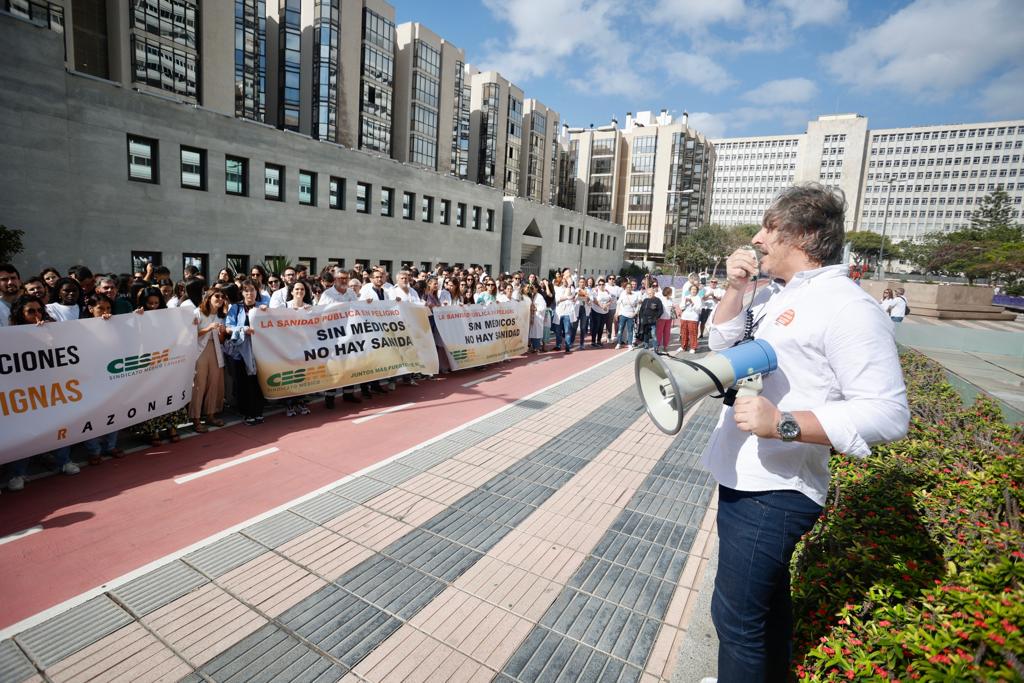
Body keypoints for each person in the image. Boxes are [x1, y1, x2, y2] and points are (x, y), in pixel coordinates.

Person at [704, 183, 909, 681]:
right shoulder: (782, 296)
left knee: (735, 620)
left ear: (805, 234)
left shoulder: (847, 307)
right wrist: (735, 290)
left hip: (774, 491)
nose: (757, 238)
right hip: (748, 477)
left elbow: (888, 413)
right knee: (766, 608)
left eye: (769, 228)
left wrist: (784, 424)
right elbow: (721, 341)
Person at [131, 287, 187, 445]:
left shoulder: (168, 315)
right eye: (150, 303)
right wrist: (137, 319)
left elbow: (181, 329)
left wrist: (192, 322)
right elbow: (131, 336)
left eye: (156, 303)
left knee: (169, 393)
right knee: (152, 396)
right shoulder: (137, 315)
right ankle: (153, 431)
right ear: (144, 303)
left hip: (167, 360)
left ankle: (172, 428)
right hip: (148, 361)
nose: (154, 306)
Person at [225, 279, 270, 424]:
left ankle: (258, 411)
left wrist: (267, 313)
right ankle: (247, 412)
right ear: (242, 292)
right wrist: (243, 329)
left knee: (257, 382)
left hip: (260, 352)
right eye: (246, 290)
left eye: (252, 289)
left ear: (257, 291)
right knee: (243, 383)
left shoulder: (262, 307)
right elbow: (228, 327)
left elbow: (275, 325)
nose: (249, 293)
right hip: (240, 353)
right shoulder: (235, 308)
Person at [191, 287, 228, 431]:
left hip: (216, 350)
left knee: (215, 382)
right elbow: (190, 335)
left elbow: (221, 339)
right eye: (216, 296)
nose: (220, 299)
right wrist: (208, 328)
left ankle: (211, 415)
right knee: (199, 384)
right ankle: (196, 418)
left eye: (222, 297)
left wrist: (222, 333)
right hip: (200, 352)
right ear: (209, 297)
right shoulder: (197, 313)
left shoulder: (220, 315)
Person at [553, 274, 576, 353]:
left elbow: (570, 296)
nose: (565, 280)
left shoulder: (572, 288)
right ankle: (558, 345)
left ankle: (567, 346)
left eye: (568, 279)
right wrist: (567, 298)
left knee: (567, 331)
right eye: (564, 279)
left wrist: (569, 286)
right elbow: (558, 299)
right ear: (561, 280)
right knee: (558, 331)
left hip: (568, 312)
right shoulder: (557, 288)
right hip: (559, 313)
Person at [614, 281, 641, 349]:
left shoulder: (635, 295)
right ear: (625, 288)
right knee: (620, 329)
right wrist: (616, 313)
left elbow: (638, 304)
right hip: (623, 315)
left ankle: (630, 344)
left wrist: (635, 313)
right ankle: (619, 343)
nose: (628, 289)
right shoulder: (623, 294)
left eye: (630, 287)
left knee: (630, 330)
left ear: (631, 288)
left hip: (631, 316)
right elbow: (618, 304)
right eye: (627, 287)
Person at [636, 284, 663, 350]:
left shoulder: (658, 300)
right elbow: (641, 310)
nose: (650, 294)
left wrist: (656, 317)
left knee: (653, 334)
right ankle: (646, 345)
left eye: (651, 293)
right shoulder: (645, 300)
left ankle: (655, 347)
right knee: (646, 334)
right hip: (645, 320)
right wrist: (641, 318)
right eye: (648, 293)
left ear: (654, 293)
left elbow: (660, 310)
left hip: (653, 320)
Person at [589, 279, 612, 347]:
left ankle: (599, 341)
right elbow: (594, 300)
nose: (601, 286)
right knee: (596, 326)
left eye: (602, 284)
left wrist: (606, 305)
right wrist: (602, 306)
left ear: (604, 285)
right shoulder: (595, 291)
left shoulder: (607, 291)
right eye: (600, 284)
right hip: (596, 311)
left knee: (601, 327)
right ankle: (593, 341)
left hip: (604, 312)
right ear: (598, 285)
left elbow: (610, 300)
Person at [680, 284, 702, 353]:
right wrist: (685, 303)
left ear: (697, 291)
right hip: (684, 317)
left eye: (695, 289)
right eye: (692, 289)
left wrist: (692, 303)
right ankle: (683, 346)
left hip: (693, 318)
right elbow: (681, 307)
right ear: (690, 290)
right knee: (684, 333)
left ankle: (693, 347)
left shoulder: (698, 298)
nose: (693, 291)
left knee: (693, 333)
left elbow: (699, 310)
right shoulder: (686, 297)